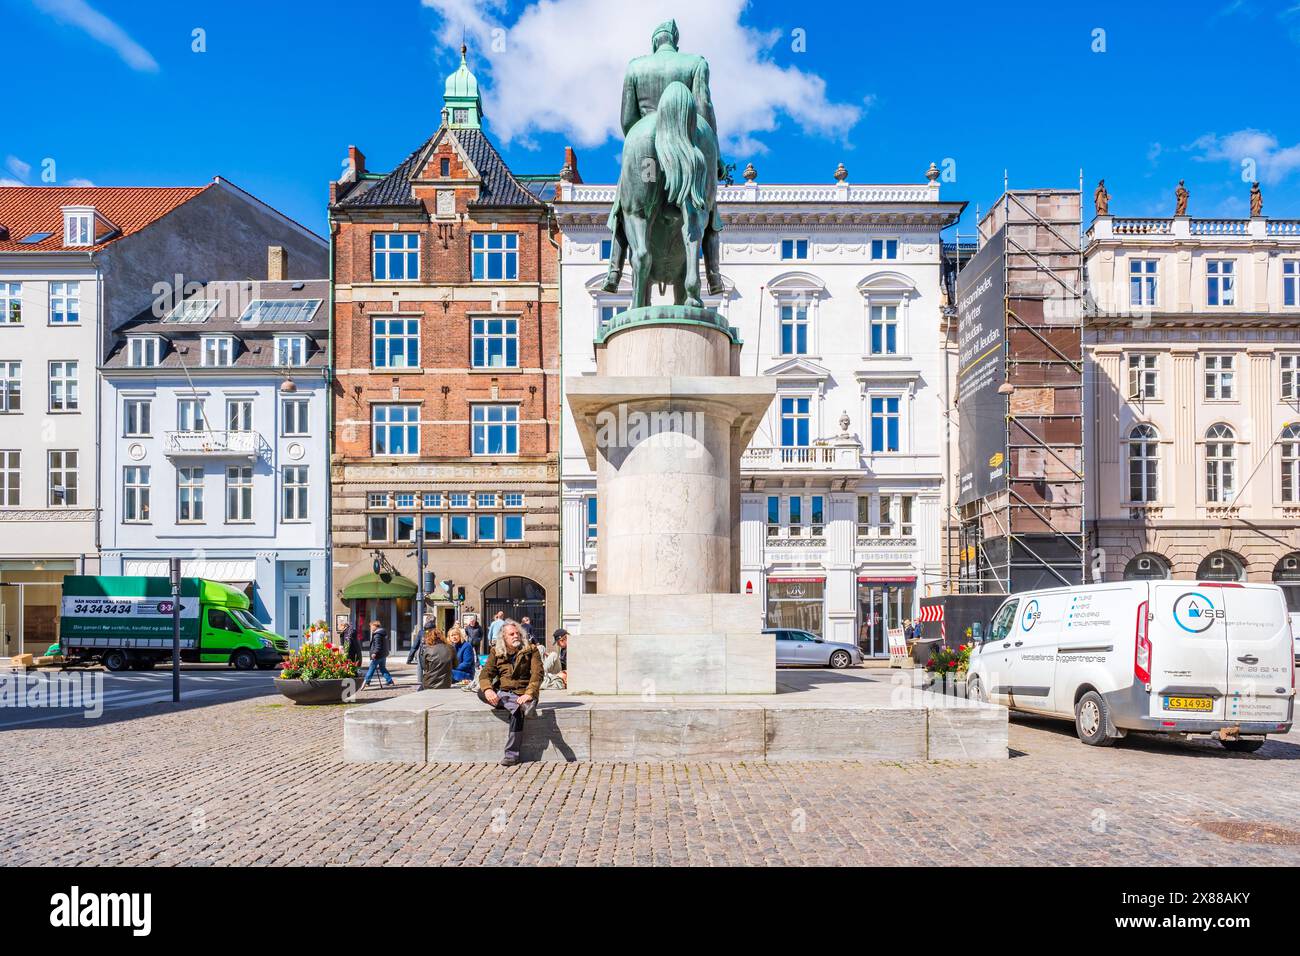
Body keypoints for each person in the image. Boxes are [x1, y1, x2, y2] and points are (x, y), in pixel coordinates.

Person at [477, 620, 542, 767]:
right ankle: (524, 706)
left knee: (516, 712)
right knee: (481, 692)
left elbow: (537, 675)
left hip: (522, 693)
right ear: (504, 637)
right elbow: (485, 674)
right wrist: (488, 689)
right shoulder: (496, 651)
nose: (515, 636)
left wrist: (529, 694)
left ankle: (511, 756)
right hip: (504, 693)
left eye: (518, 633)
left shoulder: (531, 650)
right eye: (511, 634)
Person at [362, 620, 395, 688]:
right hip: (383, 654)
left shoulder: (377, 635)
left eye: (371, 626)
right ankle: (390, 681)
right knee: (382, 668)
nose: (370, 628)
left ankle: (366, 681)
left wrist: (374, 653)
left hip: (378, 655)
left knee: (371, 668)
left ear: (375, 626)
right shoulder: (383, 633)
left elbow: (378, 646)